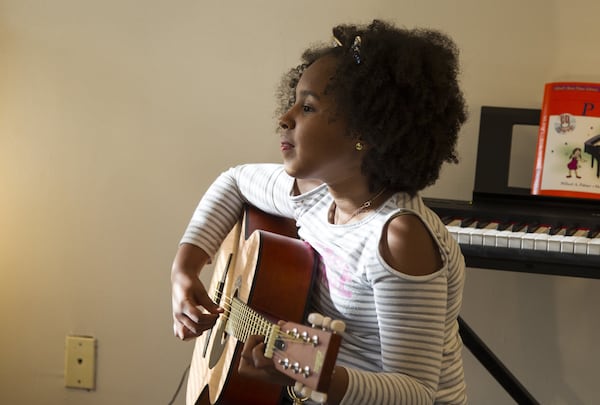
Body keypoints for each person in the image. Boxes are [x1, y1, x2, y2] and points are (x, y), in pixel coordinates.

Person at [171, 19, 468, 405]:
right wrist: (185, 269)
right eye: (292, 101)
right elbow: (233, 182)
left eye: (307, 107)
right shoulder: (311, 195)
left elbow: (416, 392)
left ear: (366, 132)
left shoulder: (397, 238)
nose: (285, 117)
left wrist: (305, 367)